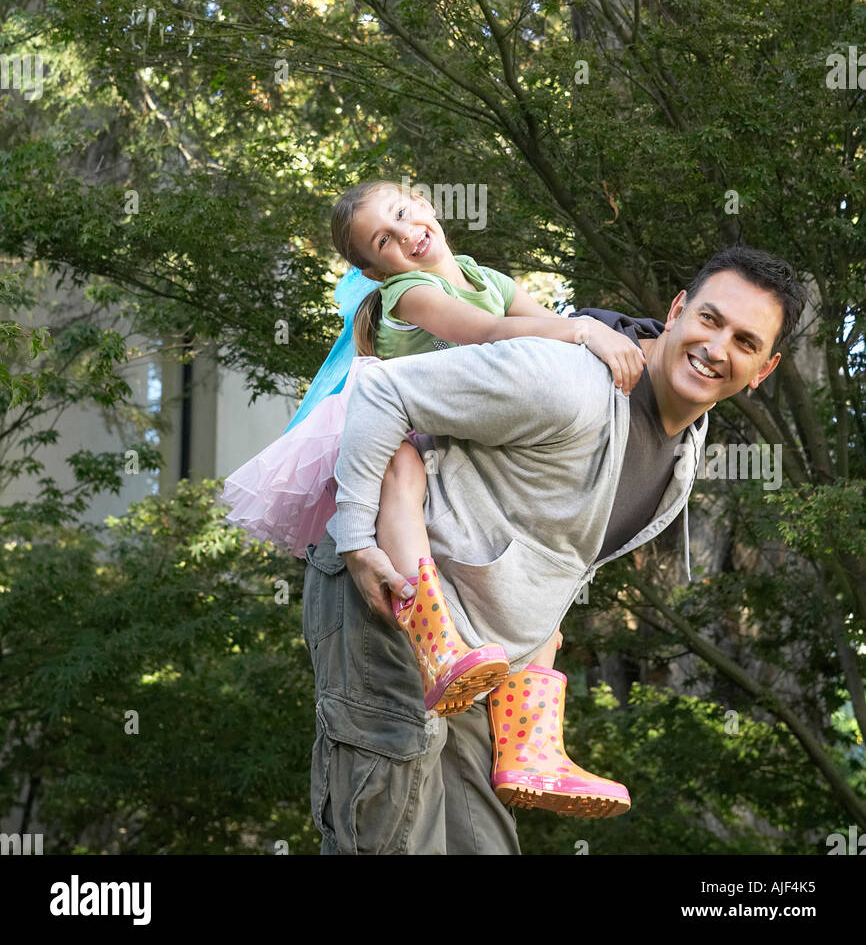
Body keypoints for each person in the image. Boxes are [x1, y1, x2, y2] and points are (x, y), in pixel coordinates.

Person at [304, 241, 806, 854]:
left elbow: (561, 545)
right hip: (392, 590)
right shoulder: (570, 382)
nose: (718, 348)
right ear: (678, 310)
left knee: (480, 843)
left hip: (478, 656)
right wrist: (357, 542)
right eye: (710, 318)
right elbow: (381, 391)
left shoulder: (684, 453)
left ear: (764, 370)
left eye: (745, 342)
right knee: (392, 829)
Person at [224, 179, 646, 815]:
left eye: (402, 215)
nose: (405, 237)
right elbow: (490, 333)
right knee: (405, 472)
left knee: (545, 616)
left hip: (461, 440)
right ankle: (437, 643)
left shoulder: (487, 275)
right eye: (383, 242)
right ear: (375, 270)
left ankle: (533, 750)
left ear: (423, 203)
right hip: (394, 422)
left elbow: (533, 333)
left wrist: (580, 344)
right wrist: (587, 329)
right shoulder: (410, 293)